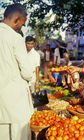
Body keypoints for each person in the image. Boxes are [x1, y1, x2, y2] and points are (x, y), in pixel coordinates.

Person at [0, 3, 33, 140]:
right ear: (16, 20)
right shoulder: (15, 38)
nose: (22, 27)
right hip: (15, 102)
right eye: (22, 24)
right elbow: (27, 72)